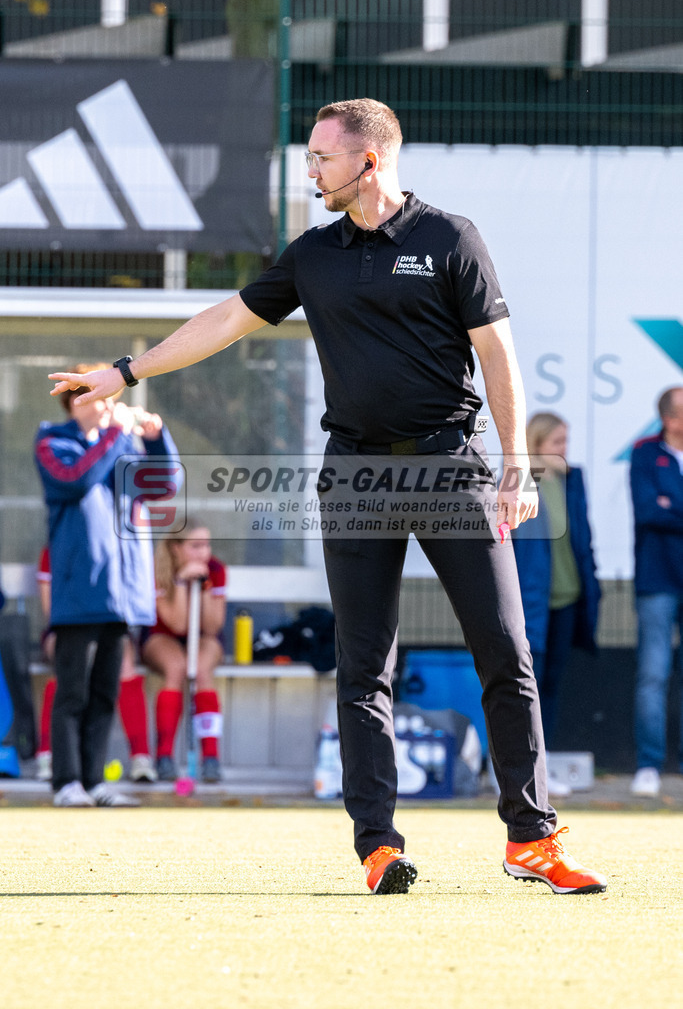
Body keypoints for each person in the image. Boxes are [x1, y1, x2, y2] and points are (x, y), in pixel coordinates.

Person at [48, 98, 606, 893]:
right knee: (361, 665)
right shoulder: (313, 252)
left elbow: (498, 354)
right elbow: (224, 320)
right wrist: (124, 373)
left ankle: (530, 839)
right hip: (354, 473)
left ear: (367, 162)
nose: (308, 170)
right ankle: (378, 846)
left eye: (319, 158)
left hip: (451, 466)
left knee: (506, 651)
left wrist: (513, 463)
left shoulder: (450, 239)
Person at [35, 363, 177, 807]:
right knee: (71, 691)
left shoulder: (123, 447)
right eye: (100, 397)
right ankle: (67, 783)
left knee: (105, 693)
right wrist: (118, 435)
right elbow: (75, 479)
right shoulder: (52, 442)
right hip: (80, 591)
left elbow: (164, 484)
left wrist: (155, 439)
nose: (110, 406)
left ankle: (94, 781)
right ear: (76, 400)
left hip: (123, 593)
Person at [512, 413, 601, 794]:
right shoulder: (519, 485)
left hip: (567, 601)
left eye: (566, 441)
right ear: (535, 445)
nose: (564, 450)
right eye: (556, 443)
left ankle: (542, 772)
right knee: (524, 687)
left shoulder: (571, 483)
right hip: (532, 604)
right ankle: (521, 773)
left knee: (550, 686)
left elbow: (582, 541)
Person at [34, 547, 158, 784]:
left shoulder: (112, 548)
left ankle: (141, 757)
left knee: (124, 661)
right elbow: (51, 609)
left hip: (106, 626)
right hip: (66, 626)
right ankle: (48, 754)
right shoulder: (56, 549)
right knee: (66, 661)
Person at [140, 519, 227, 783]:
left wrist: (202, 586)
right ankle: (164, 756)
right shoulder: (158, 569)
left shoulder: (215, 569)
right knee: (176, 668)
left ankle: (210, 757)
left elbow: (212, 626)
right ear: (176, 548)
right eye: (195, 546)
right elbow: (175, 623)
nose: (204, 552)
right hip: (161, 636)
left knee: (201, 670)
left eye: (207, 545)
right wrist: (179, 582)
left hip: (203, 636)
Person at [629, 386, 683, 797]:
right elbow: (648, 510)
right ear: (669, 418)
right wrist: (663, 507)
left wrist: (672, 505)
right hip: (657, 580)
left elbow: (664, 510)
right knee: (653, 674)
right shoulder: (646, 452)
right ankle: (648, 764)